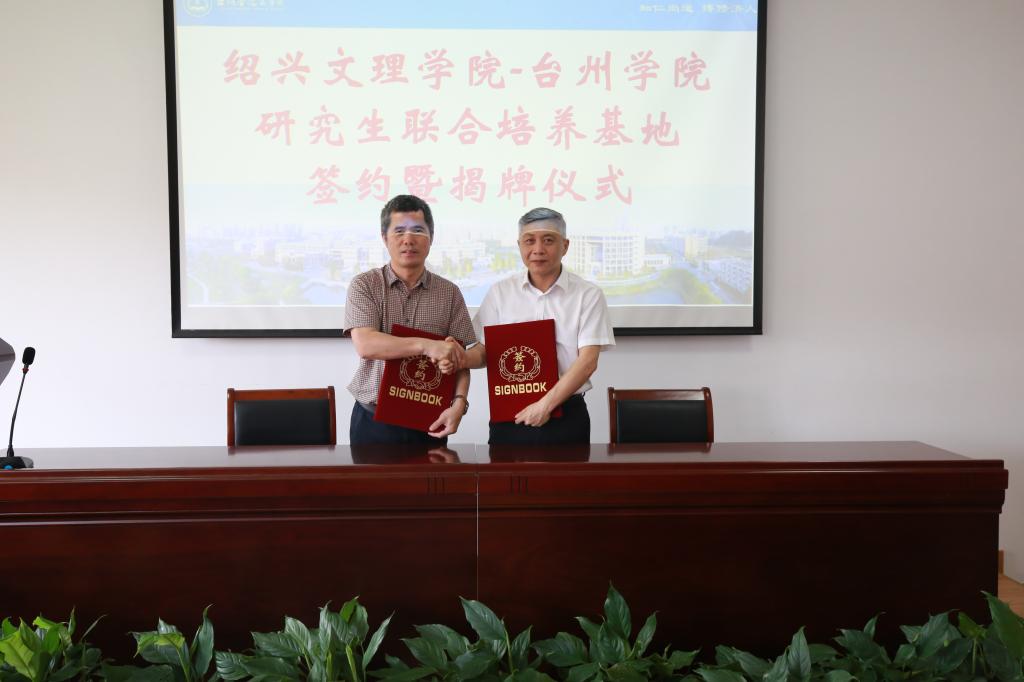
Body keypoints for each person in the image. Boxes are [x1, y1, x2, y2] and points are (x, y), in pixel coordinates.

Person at [457, 207, 614, 444]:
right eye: (529, 241)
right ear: (519, 245)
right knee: (503, 470)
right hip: (509, 412)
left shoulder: (588, 295)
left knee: (571, 471)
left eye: (548, 240)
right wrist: (461, 358)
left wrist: (545, 405)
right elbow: (484, 351)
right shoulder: (500, 293)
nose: (538, 249)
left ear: (565, 246)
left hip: (567, 415)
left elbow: (588, 362)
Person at [344, 195, 473, 445]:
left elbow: (459, 358)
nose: (408, 239)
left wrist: (459, 403)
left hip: (430, 420)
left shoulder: (449, 293)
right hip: (373, 422)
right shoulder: (365, 285)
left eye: (418, 231)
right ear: (385, 238)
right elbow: (366, 345)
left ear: (431, 238)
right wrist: (427, 346)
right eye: (399, 231)